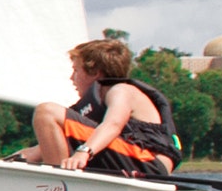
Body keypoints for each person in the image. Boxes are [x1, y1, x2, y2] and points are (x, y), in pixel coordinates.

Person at [19, 38, 180, 179]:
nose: (71, 78)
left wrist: (84, 152)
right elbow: (57, 139)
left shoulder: (121, 90)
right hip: (133, 160)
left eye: (76, 70)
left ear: (95, 72)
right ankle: (60, 184)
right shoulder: (98, 105)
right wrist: (23, 156)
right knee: (51, 129)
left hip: (148, 163)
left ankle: (58, 187)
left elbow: (113, 125)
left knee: (46, 112)